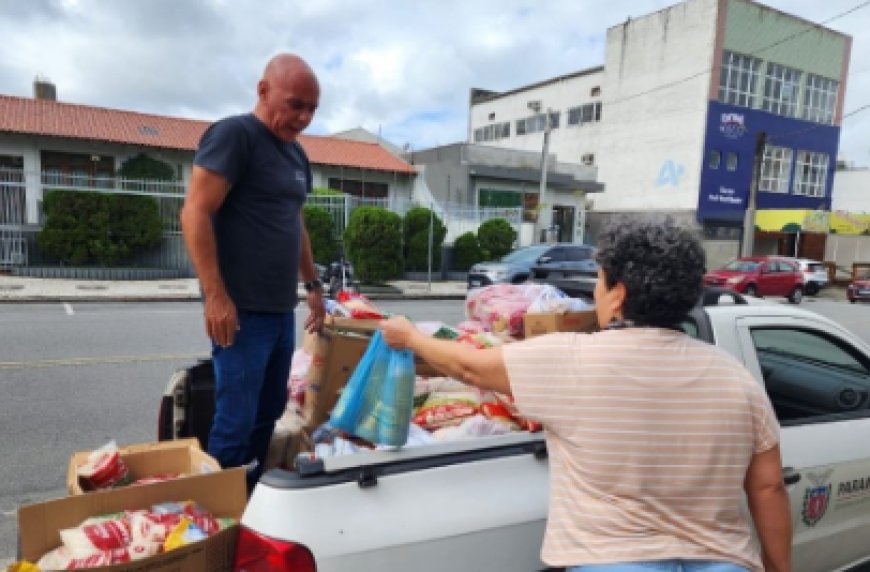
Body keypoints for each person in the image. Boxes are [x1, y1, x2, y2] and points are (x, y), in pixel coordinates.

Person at [381, 215, 792, 572]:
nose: (595, 290)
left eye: (599, 279)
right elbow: (768, 488)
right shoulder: (736, 378)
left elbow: (468, 365)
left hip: (611, 562)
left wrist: (411, 337)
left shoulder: (571, 360)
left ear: (618, 295)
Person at [180, 53, 326, 491]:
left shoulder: (297, 155)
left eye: (312, 109)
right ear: (263, 91)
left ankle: (253, 492)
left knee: (268, 411)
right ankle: (219, 515)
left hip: (281, 311)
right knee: (236, 418)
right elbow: (195, 212)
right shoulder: (234, 136)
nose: (303, 118)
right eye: (295, 104)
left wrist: (313, 284)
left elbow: (293, 222)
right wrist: (216, 295)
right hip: (241, 313)